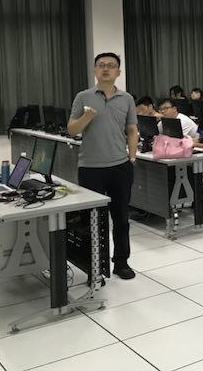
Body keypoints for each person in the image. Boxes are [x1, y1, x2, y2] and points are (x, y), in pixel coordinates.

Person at [68, 52, 138, 280]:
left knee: (121, 218)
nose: (106, 68)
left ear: (118, 71)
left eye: (111, 65)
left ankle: (121, 262)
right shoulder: (83, 97)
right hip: (90, 167)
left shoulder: (127, 98)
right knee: (91, 221)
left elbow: (132, 130)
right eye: (101, 65)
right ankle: (94, 267)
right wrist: (87, 117)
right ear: (95, 70)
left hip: (120, 167)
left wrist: (132, 158)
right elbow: (72, 130)